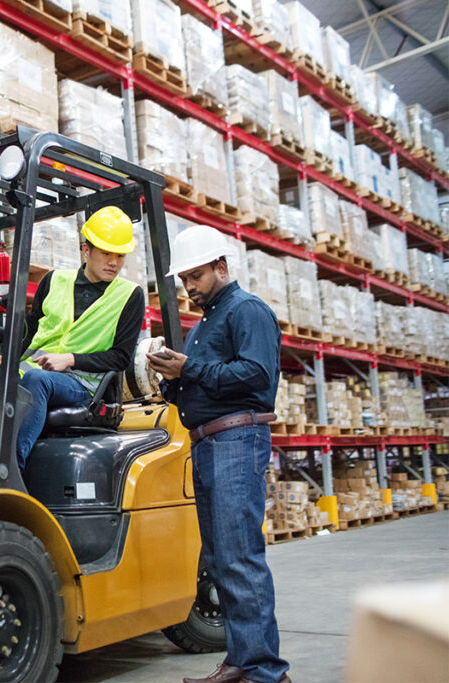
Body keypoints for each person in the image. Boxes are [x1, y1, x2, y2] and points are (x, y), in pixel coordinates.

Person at [145, 225, 290, 683]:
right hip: (208, 443)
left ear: (221, 267)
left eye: (196, 276)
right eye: (184, 279)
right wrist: (170, 379)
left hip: (236, 440)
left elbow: (256, 373)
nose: (188, 287)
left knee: (240, 555)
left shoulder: (247, 311)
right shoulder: (204, 324)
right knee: (220, 557)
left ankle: (265, 671)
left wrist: (190, 367)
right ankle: (242, 660)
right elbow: (204, 378)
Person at [1, 205, 145, 470]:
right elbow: (31, 329)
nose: (114, 262)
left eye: (120, 255)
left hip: (83, 385)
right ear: (86, 249)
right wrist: (6, 356)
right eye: (106, 253)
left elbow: (121, 357)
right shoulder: (54, 280)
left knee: (37, 380)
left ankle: (11, 470)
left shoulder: (130, 295)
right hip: (36, 370)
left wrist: (70, 359)